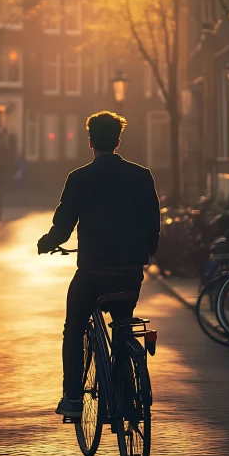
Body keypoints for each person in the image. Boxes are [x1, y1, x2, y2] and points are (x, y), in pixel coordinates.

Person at [37, 110, 160, 418]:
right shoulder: (141, 175)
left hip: (93, 272)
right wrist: (146, 251)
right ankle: (124, 393)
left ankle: (74, 398)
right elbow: (152, 223)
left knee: (74, 327)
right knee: (122, 327)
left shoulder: (79, 178)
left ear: (90, 141)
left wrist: (47, 243)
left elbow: (63, 226)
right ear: (118, 140)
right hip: (129, 273)